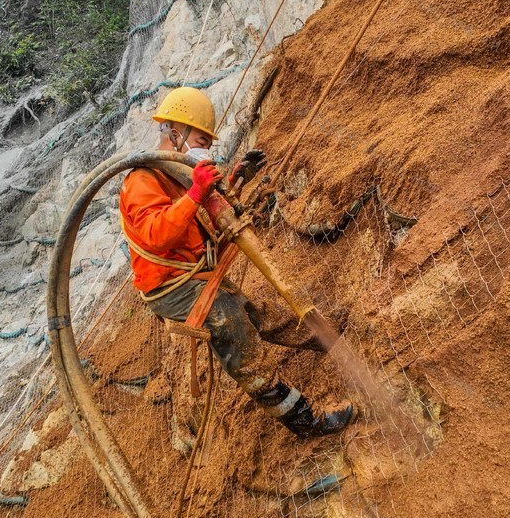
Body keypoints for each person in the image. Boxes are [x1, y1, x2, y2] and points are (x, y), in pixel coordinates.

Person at [119, 86, 356, 438]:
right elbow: (157, 234)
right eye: (200, 139)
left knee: (259, 314)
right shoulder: (142, 180)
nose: (204, 149)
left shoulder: (177, 174)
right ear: (174, 132)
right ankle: (305, 421)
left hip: (197, 276)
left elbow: (205, 216)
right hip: (171, 287)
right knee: (234, 331)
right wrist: (198, 191)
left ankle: (339, 342)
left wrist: (235, 179)